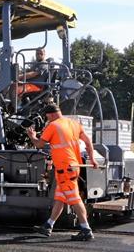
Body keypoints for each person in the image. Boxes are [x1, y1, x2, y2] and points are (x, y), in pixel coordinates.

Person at [26, 103, 98, 241]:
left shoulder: (53, 126)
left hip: (65, 169)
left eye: (47, 117)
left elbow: (40, 144)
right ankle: (48, 225)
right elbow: (88, 142)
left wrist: (32, 136)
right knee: (60, 198)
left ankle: (86, 229)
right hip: (74, 166)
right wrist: (93, 159)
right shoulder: (73, 124)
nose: (47, 120)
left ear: (52, 114)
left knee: (75, 199)